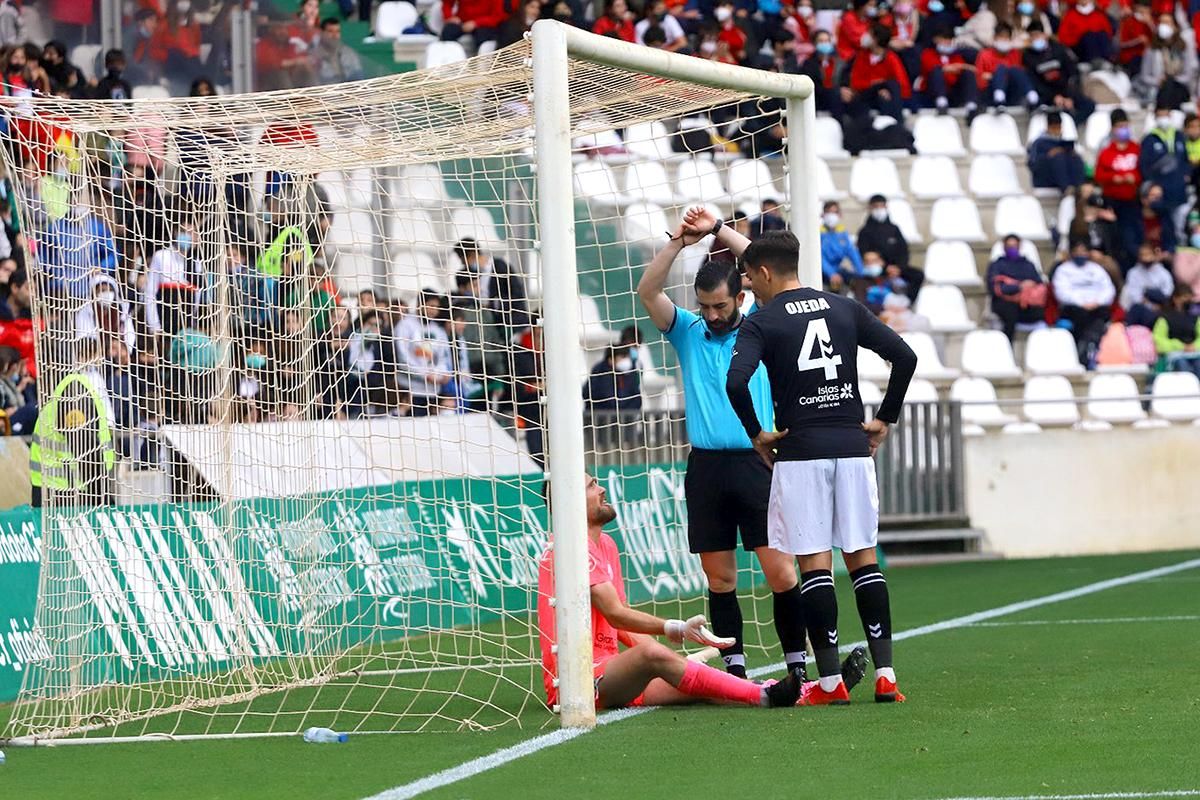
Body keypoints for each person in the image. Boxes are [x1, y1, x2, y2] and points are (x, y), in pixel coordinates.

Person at [725, 230, 917, 705]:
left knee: (815, 563)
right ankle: (886, 675)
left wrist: (756, 433)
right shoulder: (844, 307)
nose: (749, 286)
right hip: (853, 447)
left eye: (749, 276)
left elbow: (735, 383)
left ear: (765, 273)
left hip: (801, 449)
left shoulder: (761, 321)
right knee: (863, 558)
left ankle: (830, 683)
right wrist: (884, 419)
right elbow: (905, 356)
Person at [636, 209, 809, 681]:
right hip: (708, 468)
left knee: (781, 574)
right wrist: (678, 242)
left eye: (720, 306)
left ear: (741, 296)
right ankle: (735, 669)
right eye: (705, 306)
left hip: (758, 462)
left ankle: (797, 665)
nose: (712, 314)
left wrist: (716, 230)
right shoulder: (688, 332)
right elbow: (647, 291)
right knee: (721, 579)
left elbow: (756, 258)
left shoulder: (760, 324)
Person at [535, 474, 807, 712]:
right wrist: (674, 629)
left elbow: (623, 628)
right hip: (577, 682)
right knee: (651, 656)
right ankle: (764, 695)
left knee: (703, 687)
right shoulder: (568, 548)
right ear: (569, 502)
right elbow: (616, 615)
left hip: (613, 672)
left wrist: (670, 660)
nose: (601, 489)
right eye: (591, 486)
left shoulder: (605, 544)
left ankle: (796, 692)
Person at [1052, 240, 1116, 361]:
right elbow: (1062, 292)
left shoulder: (1096, 269)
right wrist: (1082, 303)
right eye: (1077, 252)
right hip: (1073, 307)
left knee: (1101, 315)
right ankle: (1084, 349)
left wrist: (1097, 302)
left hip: (1096, 306)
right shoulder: (1063, 270)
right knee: (1081, 315)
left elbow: (1108, 289)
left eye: (1083, 252)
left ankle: (1088, 347)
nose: (1080, 254)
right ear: (1072, 253)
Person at [1094, 109, 1142, 264]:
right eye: (1120, 126)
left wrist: (1133, 177)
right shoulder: (1107, 152)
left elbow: (1144, 171)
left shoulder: (1136, 149)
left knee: (1132, 237)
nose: (1124, 129)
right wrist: (1115, 178)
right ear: (1113, 128)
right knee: (1116, 239)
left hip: (1133, 201)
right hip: (1112, 201)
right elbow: (1099, 175)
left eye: (1125, 125)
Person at [1141, 102, 1190, 244]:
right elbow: (1144, 165)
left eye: (1166, 114)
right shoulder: (1149, 140)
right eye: (1160, 115)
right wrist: (1152, 186)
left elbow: (1185, 159)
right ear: (1155, 117)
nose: (1164, 118)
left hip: (1179, 190)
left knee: (1180, 228)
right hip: (1160, 192)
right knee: (1165, 228)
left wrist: (1185, 175)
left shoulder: (1179, 136)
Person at [856, 194, 923, 300]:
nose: (879, 210)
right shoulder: (865, 231)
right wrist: (885, 267)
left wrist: (899, 267)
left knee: (918, 275)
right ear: (870, 208)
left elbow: (903, 250)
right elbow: (865, 254)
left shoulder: (894, 229)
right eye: (876, 207)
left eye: (882, 206)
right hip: (879, 268)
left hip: (897, 268)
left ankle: (907, 303)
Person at [1023, 22, 1093, 122]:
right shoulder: (1028, 56)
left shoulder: (1059, 49)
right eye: (1032, 36)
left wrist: (1069, 97)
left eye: (1037, 35)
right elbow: (1034, 82)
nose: (1035, 39)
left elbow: (1073, 73)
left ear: (1044, 35)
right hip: (1046, 95)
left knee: (1089, 105)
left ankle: (1072, 125)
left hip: (1065, 90)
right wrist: (1053, 97)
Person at [986, 234, 1046, 339]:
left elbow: (1038, 282)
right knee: (1010, 314)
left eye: (1014, 246)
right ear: (1004, 247)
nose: (1012, 249)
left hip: (1026, 302)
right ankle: (1007, 347)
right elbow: (994, 288)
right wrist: (1019, 287)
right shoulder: (997, 265)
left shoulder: (1028, 265)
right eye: (1009, 246)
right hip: (1004, 302)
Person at [846, 23, 911, 121]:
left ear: (876, 39)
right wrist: (875, 83)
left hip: (884, 95)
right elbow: (855, 83)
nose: (866, 36)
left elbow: (902, 84)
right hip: (865, 94)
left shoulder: (891, 58)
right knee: (888, 85)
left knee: (888, 91)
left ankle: (893, 126)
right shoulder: (861, 57)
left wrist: (887, 91)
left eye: (869, 34)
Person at [1136, 14, 1196, 109]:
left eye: (1167, 22)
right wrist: (1157, 81)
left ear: (1175, 27)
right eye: (1161, 22)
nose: (1163, 26)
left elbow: (1188, 74)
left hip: (1179, 87)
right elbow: (1144, 76)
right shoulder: (1151, 50)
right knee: (1167, 86)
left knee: (1171, 85)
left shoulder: (1183, 48)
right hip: (1159, 88)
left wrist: (1174, 79)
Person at [975, 23, 1038, 110]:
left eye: (1006, 37)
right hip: (990, 93)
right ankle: (999, 97)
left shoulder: (1015, 54)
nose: (1004, 40)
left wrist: (992, 76)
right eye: (1001, 37)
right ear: (995, 38)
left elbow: (1019, 75)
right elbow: (980, 80)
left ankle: (1032, 96)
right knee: (1001, 69)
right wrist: (996, 77)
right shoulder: (984, 55)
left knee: (1014, 70)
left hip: (1012, 92)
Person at [920, 26, 978, 117]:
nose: (947, 42)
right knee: (936, 72)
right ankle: (941, 103)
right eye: (943, 39)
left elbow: (964, 68)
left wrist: (958, 67)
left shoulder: (956, 56)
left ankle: (971, 106)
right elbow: (930, 69)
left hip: (953, 92)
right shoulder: (927, 53)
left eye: (949, 39)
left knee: (968, 74)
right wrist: (948, 68)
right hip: (932, 92)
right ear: (935, 39)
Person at [1027, 111, 1085, 192]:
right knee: (1058, 158)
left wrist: (1067, 151)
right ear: (1048, 127)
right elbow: (1032, 164)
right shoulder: (1038, 143)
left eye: (1058, 128)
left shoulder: (1062, 142)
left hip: (1059, 175)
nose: (1056, 131)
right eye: (1054, 128)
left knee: (1076, 158)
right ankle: (1067, 190)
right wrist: (1049, 156)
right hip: (1044, 178)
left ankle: (1078, 188)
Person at [1153, 285, 1200, 377]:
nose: (1188, 301)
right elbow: (1159, 341)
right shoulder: (1164, 319)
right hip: (1174, 356)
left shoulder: (1196, 318)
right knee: (1182, 365)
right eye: (1185, 297)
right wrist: (1180, 346)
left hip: (1195, 353)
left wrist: (1194, 346)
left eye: (1190, 297)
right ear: (1176, 299)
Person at [820, 201, 864, 293]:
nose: (832, 216)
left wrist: (861, 272)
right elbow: (819, 258)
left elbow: (852, 252)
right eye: (829, 212)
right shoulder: (819, 234)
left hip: (838, 271)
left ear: (840, 214)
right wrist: (831, 273)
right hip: (822, 273)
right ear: (823, 215)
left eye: (835, 212)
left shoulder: (842, 234)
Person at [800, 30, 846, 117]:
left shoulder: (839, 62)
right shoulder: (808, 64)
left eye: (827, 41)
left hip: (837, 101)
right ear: (815, 43)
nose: (824, 44)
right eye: (821, 41)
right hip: (818, 100)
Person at [1121, 243, 1174, 310]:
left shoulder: (1162, 271)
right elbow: (1135, 295)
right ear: (1139, 257)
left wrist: (1160, 303)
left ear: (1153, 255)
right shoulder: (1133, 273)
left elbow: (1168, 289)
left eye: (1148, 254)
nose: (1146, 258)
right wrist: (1150, 306)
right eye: (1143, 255)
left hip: (1161, 305)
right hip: (1141, 308)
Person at [311, 17, 365, 84]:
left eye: (338, 31)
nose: (335, 35)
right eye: (330, 31)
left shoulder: (349, 53)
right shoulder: (313, 56)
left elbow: (358, 78)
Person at [441, 0, 506, 48]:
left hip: (484, 25)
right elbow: (447, 3)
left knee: (483, 36)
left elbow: (497, 16)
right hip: (463, 22)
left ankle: (480, 63)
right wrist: (449, 16)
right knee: (448, 31)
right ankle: (448, 61)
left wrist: (475, 23)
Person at [1117, 0, 1153, 77]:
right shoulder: (1128, 21)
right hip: (1131, 57)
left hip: (1147, 56)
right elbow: (1121, 43)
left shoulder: (1150, 22)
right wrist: (1137, 41)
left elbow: (1157, 40)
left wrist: (1150, 23)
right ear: (1136, 7)